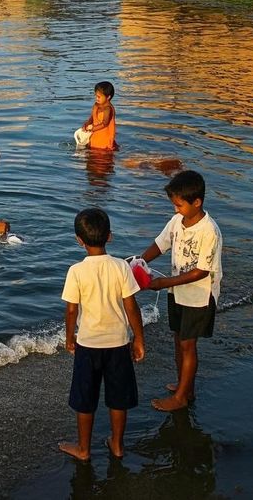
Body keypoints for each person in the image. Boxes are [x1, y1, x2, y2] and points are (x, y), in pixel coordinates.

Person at [59, 207, 145, 462]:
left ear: (79, 240)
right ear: (110, 236)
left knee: (85, 398)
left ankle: (84, 449)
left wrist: (69, 337)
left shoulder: (76, 271)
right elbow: (131, 305)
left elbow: (71, 310)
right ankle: (117, 444)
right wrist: (139, 338)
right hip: (119, 343)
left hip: (88, 344)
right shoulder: (121, 266)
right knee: (119, 398)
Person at [139, 169, 222, 412]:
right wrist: (139, 262)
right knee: (179, 340)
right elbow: (160, 244)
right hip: (178, 292)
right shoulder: (177, 221)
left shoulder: (209, 231)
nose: (176, 209)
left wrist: (163, 283)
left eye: (180, 205)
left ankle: (182, 398)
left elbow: (201, 272)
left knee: (188, 344)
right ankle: (186, 387)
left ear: (197, 202)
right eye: (174, 204)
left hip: (199, 295)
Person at [83, 81, 118, 150]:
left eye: (99, 97)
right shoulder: (96, 105)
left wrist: (92, 128)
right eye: (96, 96)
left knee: (102, 158)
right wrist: (87, 123)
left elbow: (105, 123)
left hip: (104, 139)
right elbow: (92, 117)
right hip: (95, 136)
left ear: (108, 97)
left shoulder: (108, 109)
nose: (96, 98)